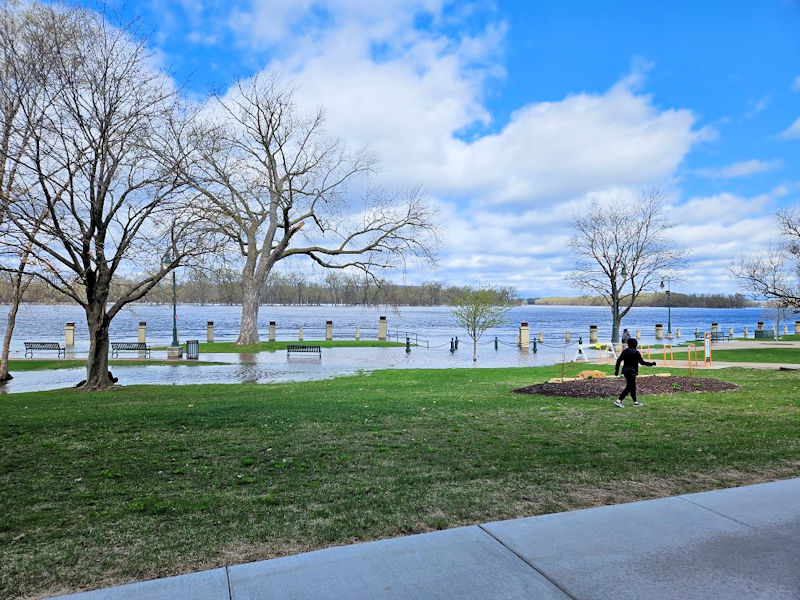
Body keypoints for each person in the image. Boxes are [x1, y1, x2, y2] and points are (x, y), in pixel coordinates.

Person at [614, 338, 655, 407]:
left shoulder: (625, 351)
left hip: (626, 371)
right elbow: (642, 362)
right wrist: (651, 364)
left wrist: (616, 371)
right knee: (629, 387)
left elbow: (618, 361)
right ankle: (619, 400)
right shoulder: (636, 352)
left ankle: (635, 402)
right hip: (632, 372)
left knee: (632, 387)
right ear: (635, 344)